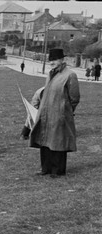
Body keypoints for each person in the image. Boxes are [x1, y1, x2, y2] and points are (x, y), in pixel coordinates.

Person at [27, 48, 80, 177]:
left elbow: (74, 98)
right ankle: (45, 168)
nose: (52, 62)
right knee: (44, 141)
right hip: (46, 114)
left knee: (58, 142)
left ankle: (58, 170)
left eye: (55, 60)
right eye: (50, 60)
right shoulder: (51, 74)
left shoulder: (70, 75)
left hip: (60, 115)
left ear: (62, 60)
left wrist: (64, 111)